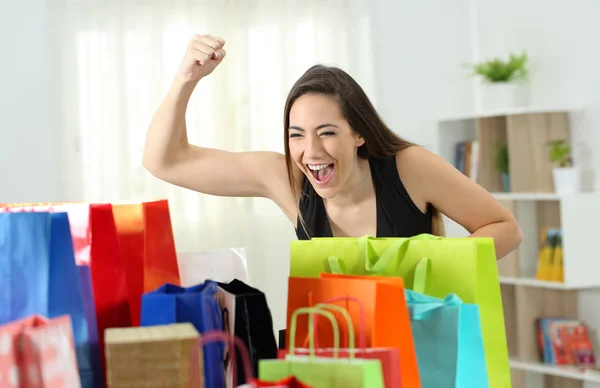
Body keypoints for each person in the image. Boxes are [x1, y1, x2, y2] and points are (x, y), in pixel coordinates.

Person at [143, 34, 523, 259]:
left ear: (359, 133)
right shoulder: (286, 179)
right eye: (296, 134)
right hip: (341, 355)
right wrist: (186, 78)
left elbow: (504, 228)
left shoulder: (409, 168)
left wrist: (431, 261)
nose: (311, 151)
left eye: (326, 132)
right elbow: (165, 161)